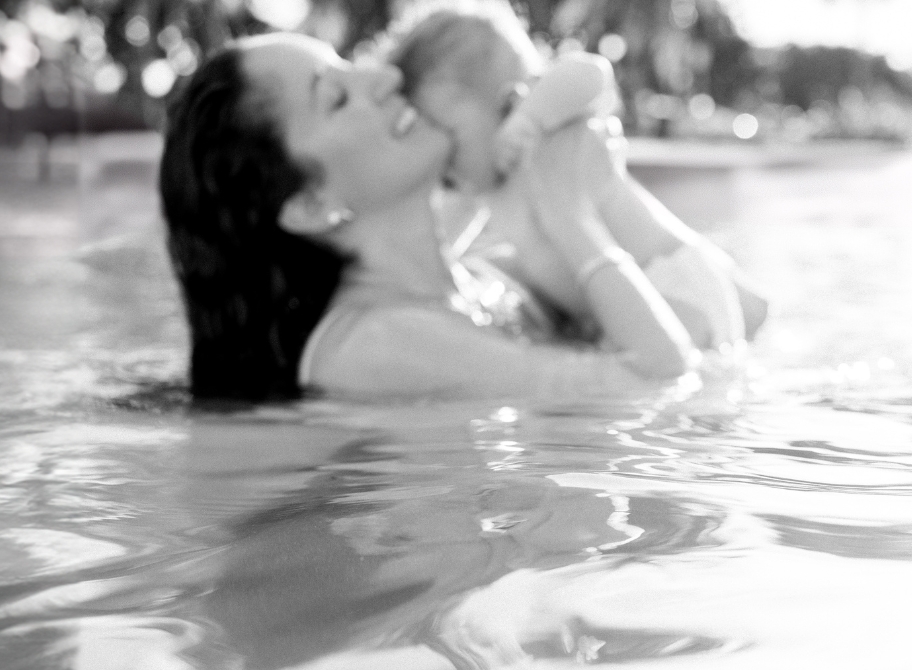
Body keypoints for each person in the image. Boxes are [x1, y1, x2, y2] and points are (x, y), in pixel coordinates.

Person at [159, 32, 698, 402]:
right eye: (338, 97)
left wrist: (608, 189)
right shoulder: (377, 344)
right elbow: (657, 382)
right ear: (311, 203)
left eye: (354, 64)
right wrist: (571, 217)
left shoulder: (478, 281)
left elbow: (739, 309)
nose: (386, 76)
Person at [371, 0, 767, 350]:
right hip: (633, 307)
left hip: (671, 284)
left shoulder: (551, 136)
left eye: (449, 135)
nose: (440, 158)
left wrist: (532, 120)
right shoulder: (480, 190)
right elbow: (439, 256)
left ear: (510, 101)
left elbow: (593, 74)